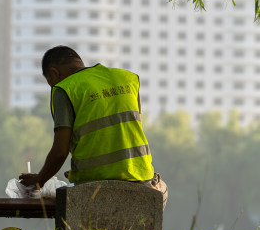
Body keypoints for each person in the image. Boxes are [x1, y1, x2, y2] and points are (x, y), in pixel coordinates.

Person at [19, 46, 167, 207]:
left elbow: (60, 151)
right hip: (142, 182)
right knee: (162, 188)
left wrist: (39, 179)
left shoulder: (64, 88)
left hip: (91, 187)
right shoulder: (128, 78)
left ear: (54, 73)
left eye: (50, 82)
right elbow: (121, 133)